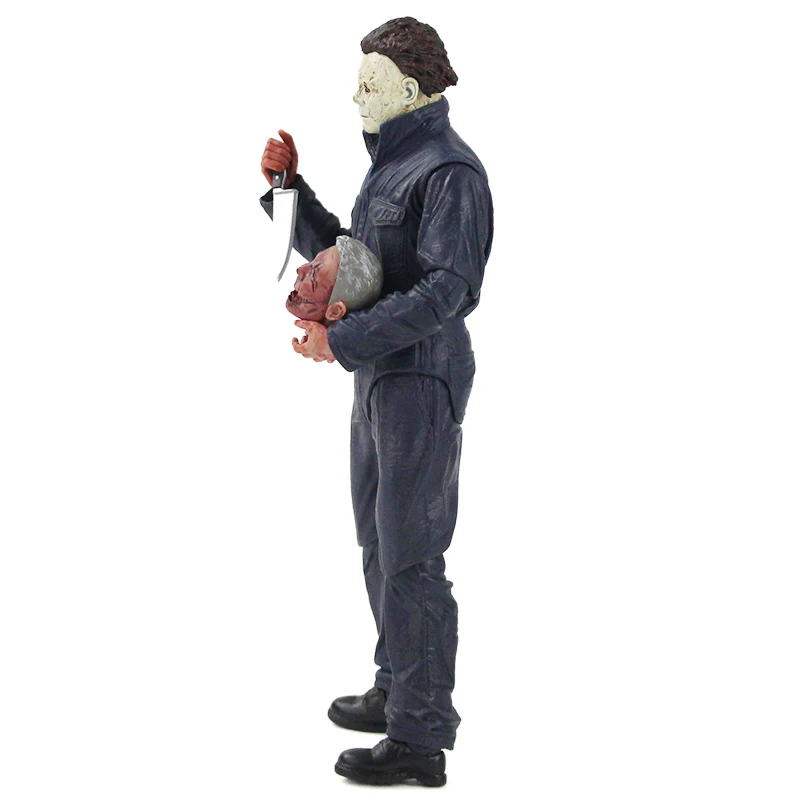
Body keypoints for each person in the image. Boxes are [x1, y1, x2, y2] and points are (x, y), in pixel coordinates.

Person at [260, 17, 493, 787]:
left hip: (420, 380)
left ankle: (420, 738)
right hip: (380, 379)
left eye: (369, 85)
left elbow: (450, 290)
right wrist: (287, 194)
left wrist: (343, 340)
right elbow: (353, 266)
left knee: (412, 555)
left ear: (412, 90)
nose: (355, 96)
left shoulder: (449, 172)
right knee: (378, 543)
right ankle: (397, 686)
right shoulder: (390, 168)